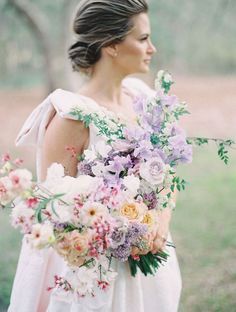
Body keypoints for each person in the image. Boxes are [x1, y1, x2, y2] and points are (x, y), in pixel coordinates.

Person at [8, 0, 182, 311]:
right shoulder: (72, 117)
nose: (152, 48)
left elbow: (165, 173)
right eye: (142, 39)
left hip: (150, 263)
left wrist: (160, 223)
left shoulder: (142, 98)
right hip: (99, 279)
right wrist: (119, 228)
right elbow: (58, 215)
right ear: (112, 45)